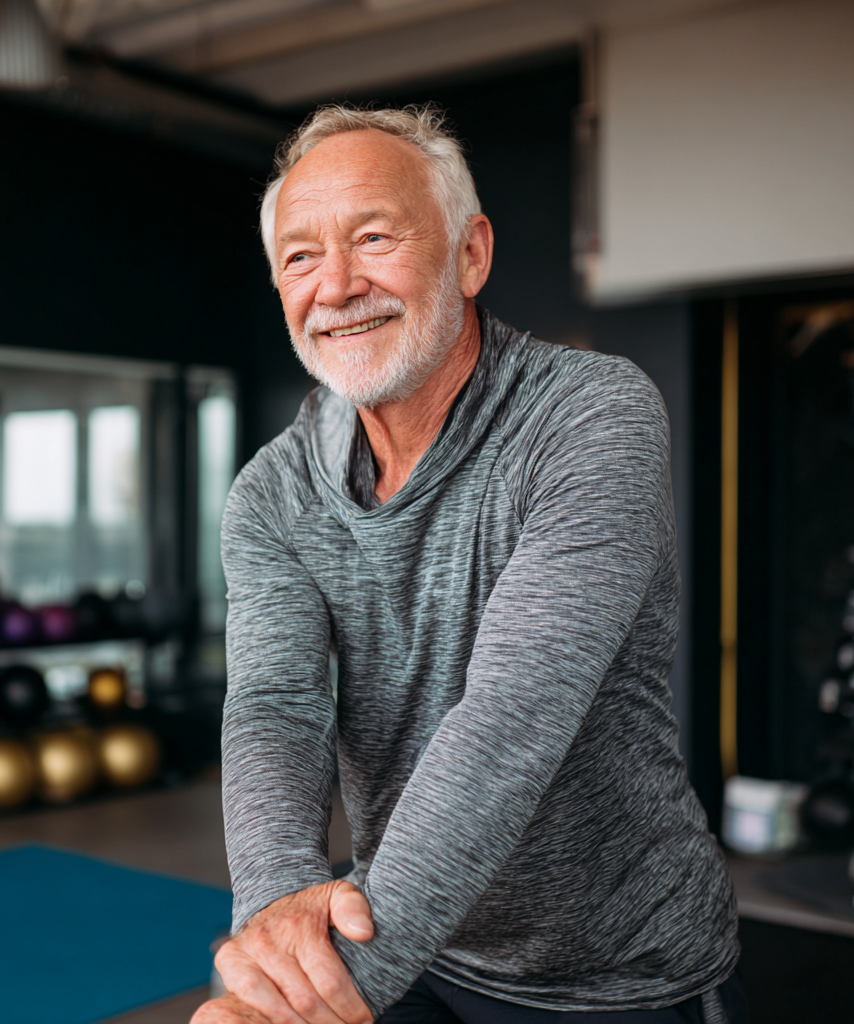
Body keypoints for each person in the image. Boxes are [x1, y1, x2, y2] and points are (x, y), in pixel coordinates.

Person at [192, 105, 745, 1024]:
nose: (335, 286)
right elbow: (275, 707)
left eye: (374, 238)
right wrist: (276, 920)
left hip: (618, 970)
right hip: (408, 942)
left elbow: (511, 717)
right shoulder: (272, 493)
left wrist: (312, 1005)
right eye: (299, 257)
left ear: (470, 254)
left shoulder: (588, 416)